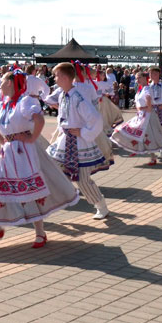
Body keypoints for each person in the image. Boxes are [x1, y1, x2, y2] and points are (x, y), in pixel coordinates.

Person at [0, 71, 80, 248]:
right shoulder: (0, 106)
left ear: (11, 83)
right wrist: (5, 142)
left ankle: (40, 232)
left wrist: (32, 138)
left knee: (30, 190)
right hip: (8, 152)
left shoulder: (25, 101)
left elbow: (39, 119)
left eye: (2, 81)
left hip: (25, 152)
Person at [46, 62, 111, 220]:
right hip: (66, 140)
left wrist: (83, 132)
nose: (55, 78)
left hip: (79, 142)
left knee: (82, 179)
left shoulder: (77, 97)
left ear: (67, 77)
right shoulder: (63, 94)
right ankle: (58, 199)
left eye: (57, 75)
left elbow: (95, 118)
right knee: (51, 166)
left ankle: (101, 205)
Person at [110, 71, 162, 166]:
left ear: (144, 78)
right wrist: (140, 109)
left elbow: (149, 102)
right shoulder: (141, 89)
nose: (137, 80)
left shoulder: (146, 89)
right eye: (136, 78)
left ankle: (152, 157)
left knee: (146, 136)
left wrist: (143, 108)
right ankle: (140, 151)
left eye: (139, 78)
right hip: (142, 115)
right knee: (140, 135)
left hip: (147, 117)